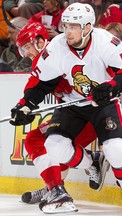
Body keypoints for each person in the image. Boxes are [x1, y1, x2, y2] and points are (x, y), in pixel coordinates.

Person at [9, 3, 122, 214]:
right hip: (72, 106)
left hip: (102, 105)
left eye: (73, 27)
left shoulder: (105, 42)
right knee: (54, 145)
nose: (67, 31)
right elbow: (40, 83)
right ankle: (91, 162)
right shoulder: (56, 47)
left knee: (117, 150)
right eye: (65, 26)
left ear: (87, 27)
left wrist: (111, 86)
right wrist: (25, 105)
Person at [13, 22, 109, 205]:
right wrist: (23, 107)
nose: (25, 53)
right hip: (75, 114)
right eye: (22, 49)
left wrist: (25, 105)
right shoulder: (48, 57)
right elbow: (33, 86)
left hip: (91, 114)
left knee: (43, 142)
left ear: (40, 42)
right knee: (48, 143)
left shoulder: (56, 54)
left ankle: (58, 186)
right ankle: (54, 186)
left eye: (27, 47)